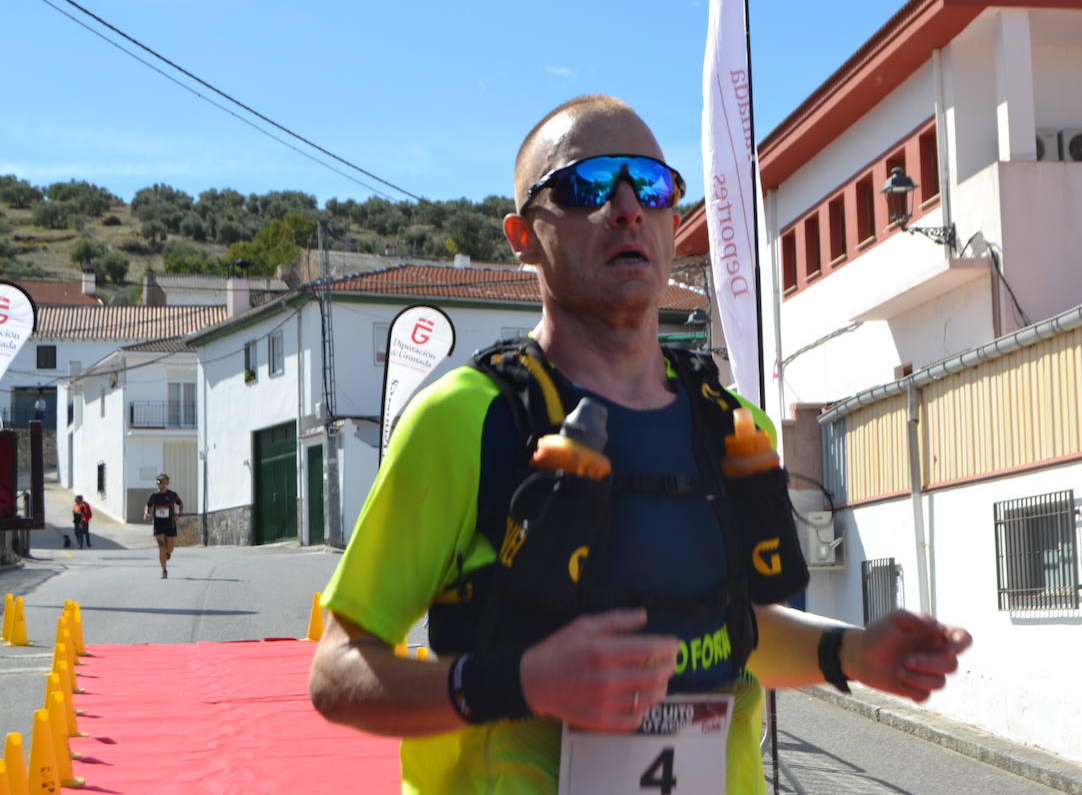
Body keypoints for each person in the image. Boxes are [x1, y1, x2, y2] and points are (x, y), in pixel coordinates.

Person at [309, 95, 972, 794]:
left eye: (650, 186)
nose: (626, 207)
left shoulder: (733, 425)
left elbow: (730, 635)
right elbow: (338, 674)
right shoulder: (464, 421)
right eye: (585, 186)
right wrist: (524, 683)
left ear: (672, 220)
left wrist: (853, 651)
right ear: (523, 235)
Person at [144, 474, 183, 579]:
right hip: (158, 525)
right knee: (161, 548)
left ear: (168, 483)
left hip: (170, 524)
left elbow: (180, 504)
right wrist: (146, 513)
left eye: (165, 482)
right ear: (157, 483)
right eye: (160, 482)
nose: (163, 484)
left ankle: (167, 553)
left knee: (170, 548)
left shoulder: (172, 495)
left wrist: (178, 514)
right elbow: (148, 505)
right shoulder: (154, 495)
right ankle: (164, 571)